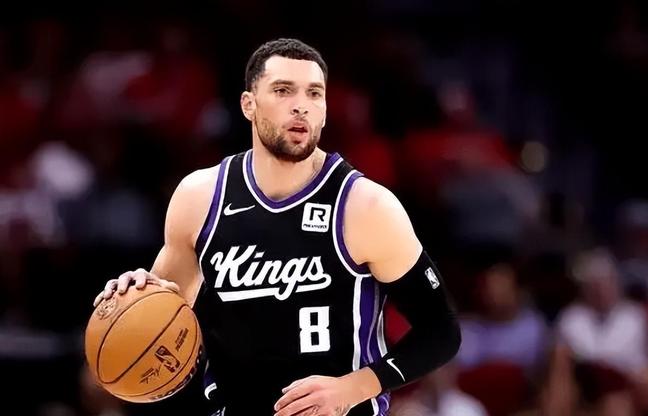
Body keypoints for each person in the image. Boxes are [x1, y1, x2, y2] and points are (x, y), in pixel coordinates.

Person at [93, 38, 461, 416]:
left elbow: (441, 331)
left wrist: (354, 387)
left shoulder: (365, 206)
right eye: (283, 90)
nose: (301, 105)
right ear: (248, 104)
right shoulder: (199, 197)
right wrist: (136, 295)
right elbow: (164, 316)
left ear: (324, 111)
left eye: (314, 93)